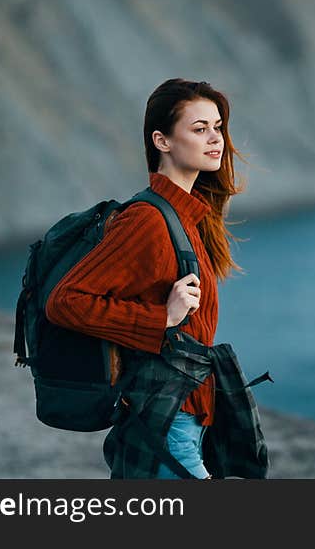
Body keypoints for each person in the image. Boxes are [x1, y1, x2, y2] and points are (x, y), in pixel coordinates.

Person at [45, 78, 247, 479]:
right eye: (200, 129)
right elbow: (65, 301)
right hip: (167, 426)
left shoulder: (188, 217)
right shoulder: (147, 220)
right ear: (162, 140)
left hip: (181, 421)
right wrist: (162, 318)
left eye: (218, 127)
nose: (216, 139)